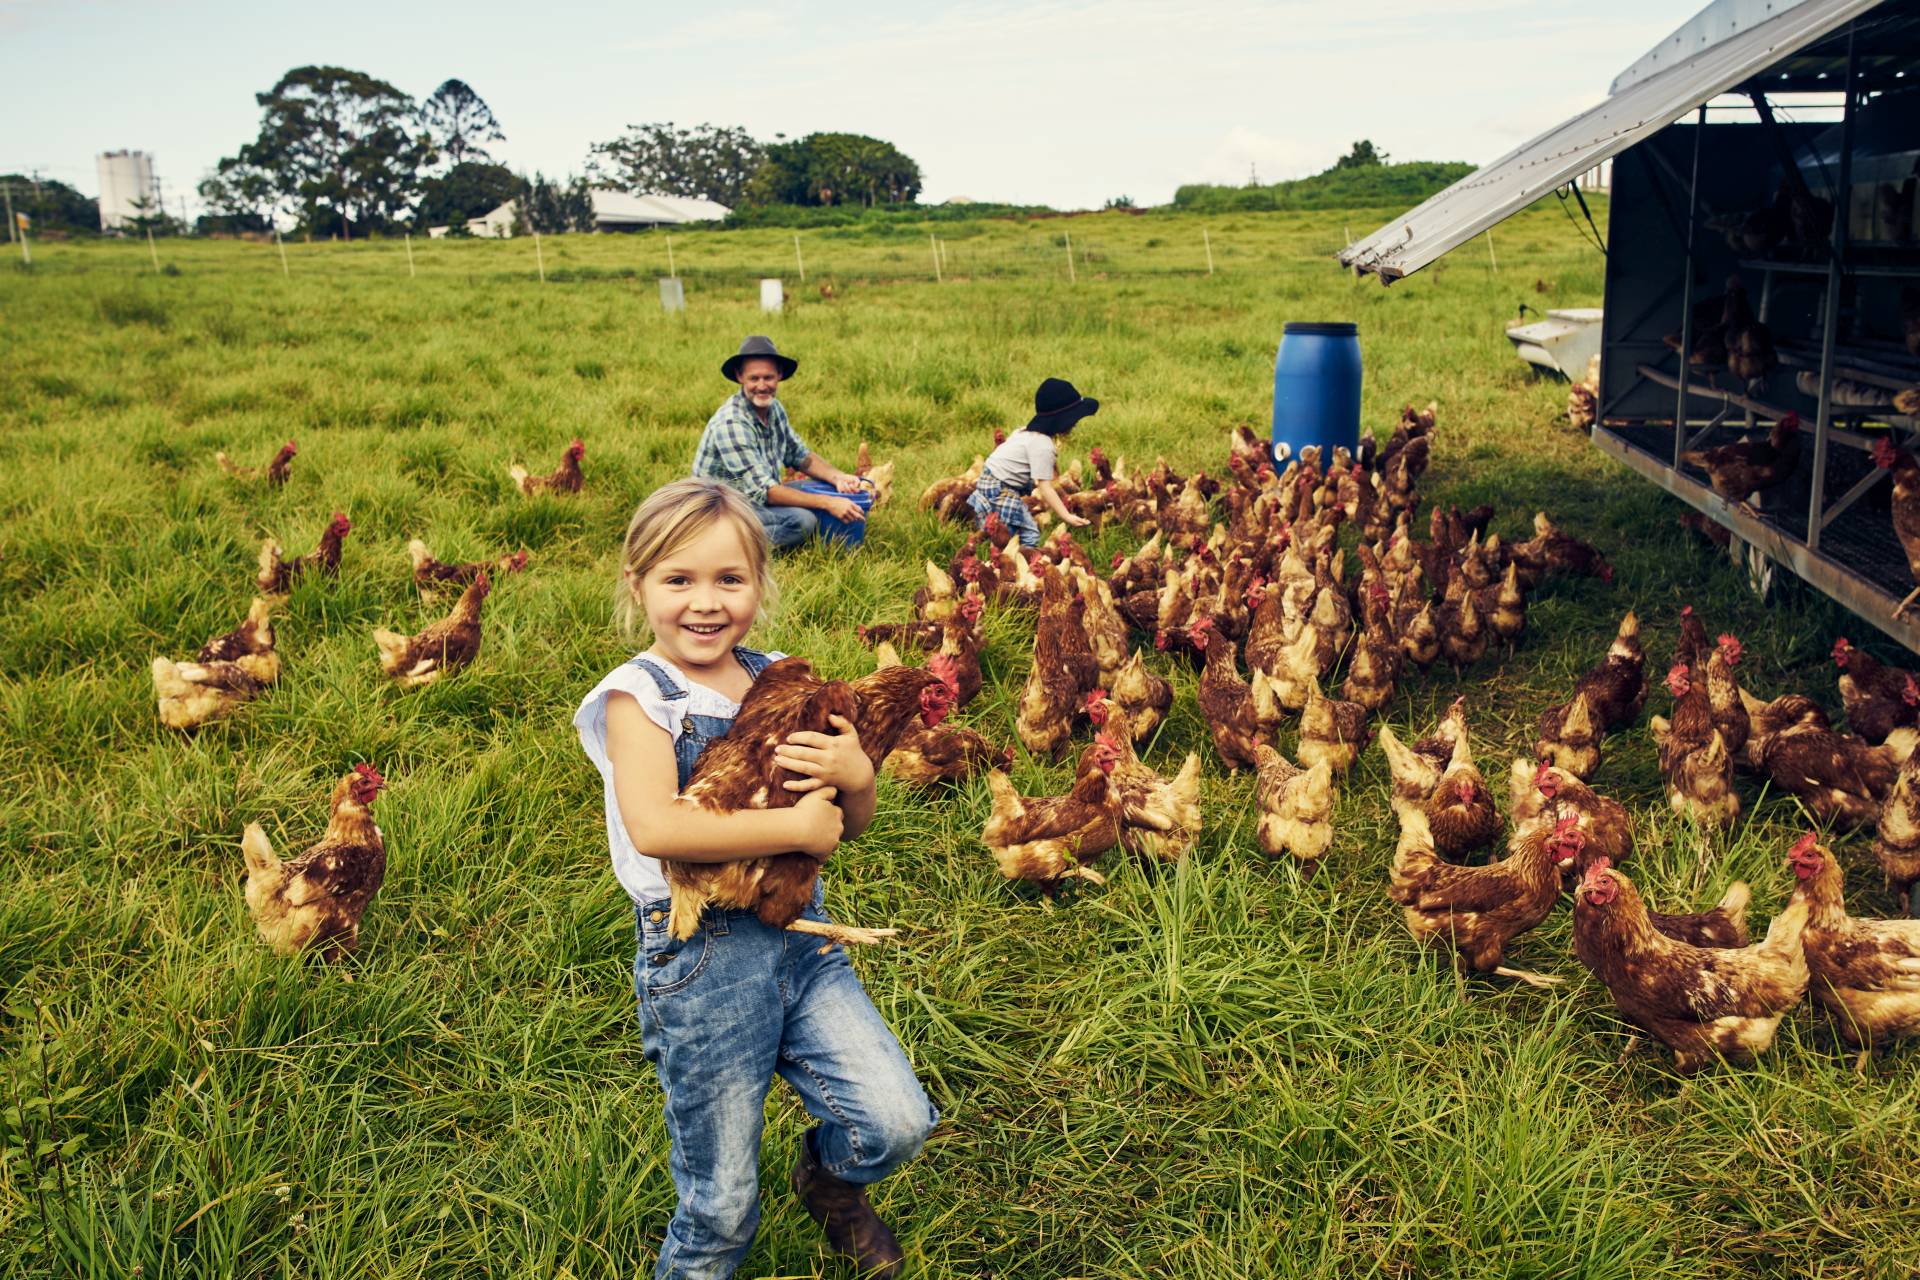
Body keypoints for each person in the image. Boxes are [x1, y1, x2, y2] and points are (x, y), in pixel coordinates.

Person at [573, 478, 933, 1280]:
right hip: (702, 962)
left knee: (897, 1120)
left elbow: (852, 820)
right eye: (679, 579)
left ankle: (830, 1182)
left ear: (760, 586)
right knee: (722, 1204)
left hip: (802, 941)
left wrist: (856, 773)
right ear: (638, 587)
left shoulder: (781, 677)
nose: (705, 603)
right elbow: (660, 829)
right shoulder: (641, 699)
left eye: (729, 580)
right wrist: (797, 828)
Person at [692, 336, 869, 550]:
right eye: (754, 378)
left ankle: (824, 532)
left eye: (768, 377)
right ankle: (723, 543)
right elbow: (766, 492)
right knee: (803, 521)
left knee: (822, 487)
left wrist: (838, 478)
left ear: (779, 376)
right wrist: (828, 502)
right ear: (740, 377)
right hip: (723, 508)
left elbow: (801, 456)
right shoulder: (731, 423)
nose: (762, 386)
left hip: (758, 497)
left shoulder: (774, 409)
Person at [967, 376, 1099, 547]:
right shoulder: (1043, 445)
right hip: (1000, 487)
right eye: (1073, 419)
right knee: (1028, 534)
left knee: (1004, 528)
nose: (1075, 424)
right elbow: (1045, 487)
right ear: (1062, 420)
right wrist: (1066, 516)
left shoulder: (1024, 432)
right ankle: (1019, 565)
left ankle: (994, 547)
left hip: (988, 479)